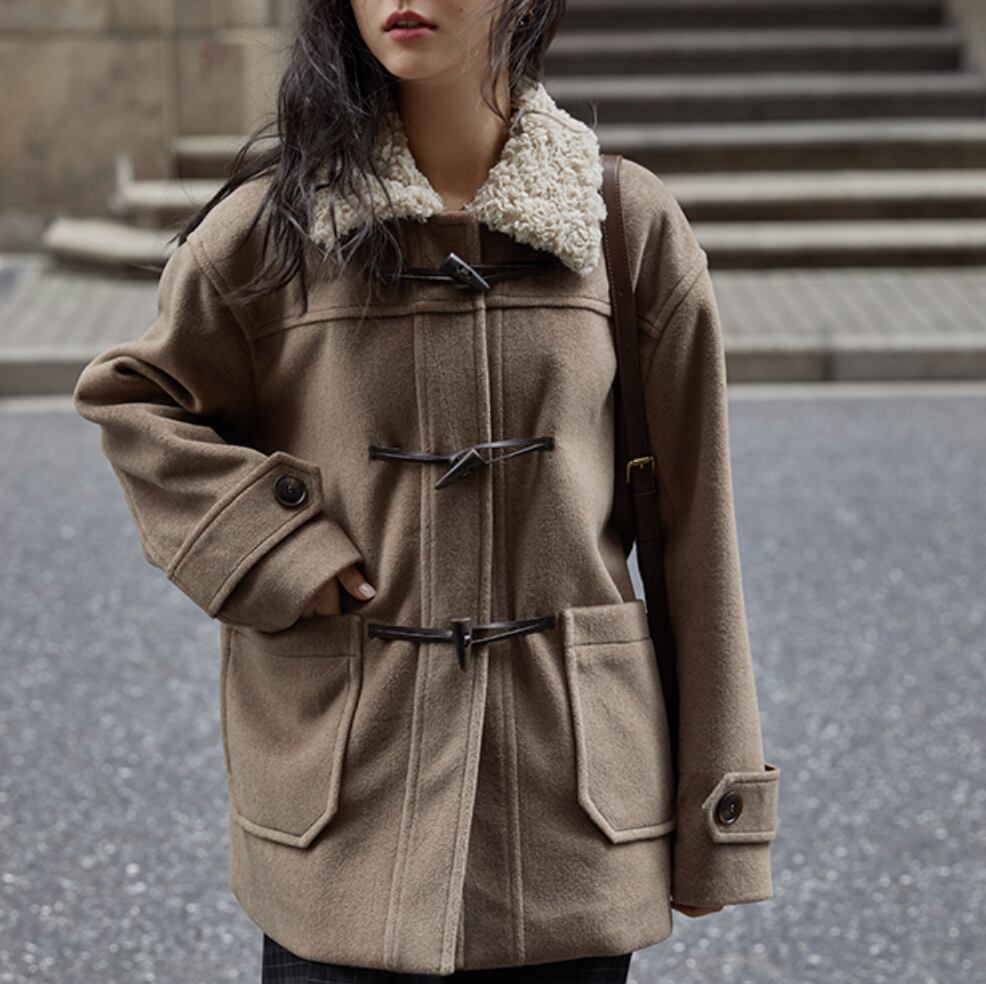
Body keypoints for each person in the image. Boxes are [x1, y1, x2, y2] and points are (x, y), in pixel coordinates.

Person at [72, 1, 781, 981]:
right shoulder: (271, 232)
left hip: (569, 810)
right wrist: (276, 545)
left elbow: (697, 536)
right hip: (347, 809)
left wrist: (718, 814)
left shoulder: (624, 227)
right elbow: (136, 403)